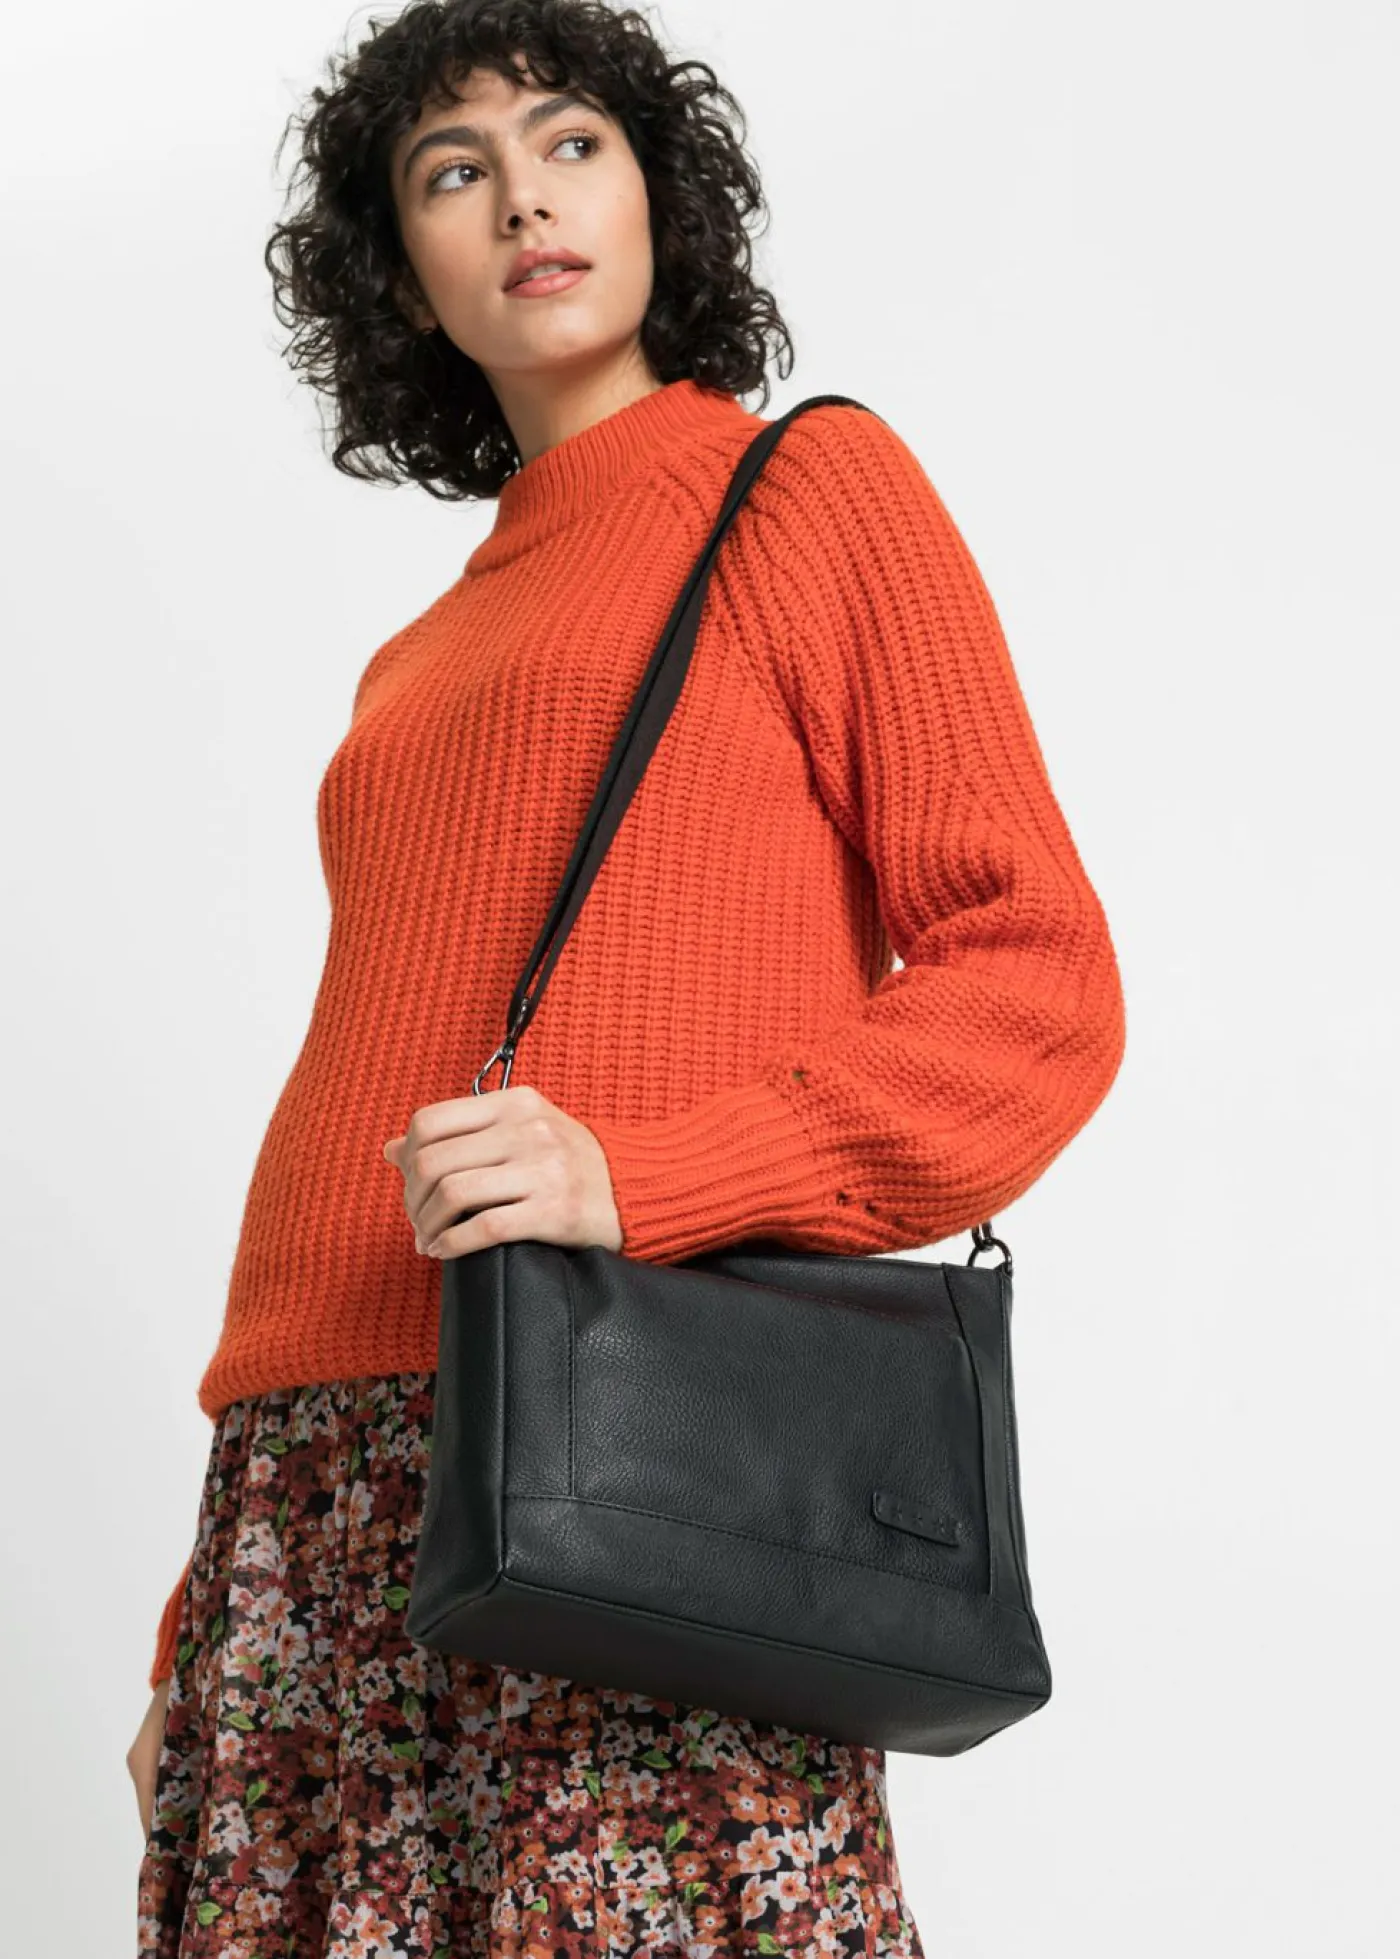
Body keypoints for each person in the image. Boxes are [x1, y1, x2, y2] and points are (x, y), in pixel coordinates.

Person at [130, 1, 1126, 1951]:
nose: (524, 198)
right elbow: (361, 1080)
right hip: (309, 1494)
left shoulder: (808, 495)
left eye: (569, 141)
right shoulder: (416, 655)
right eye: (453, 170)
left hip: (618, 1447)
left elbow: (1037, 986)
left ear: (659, 189)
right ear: (398, 273)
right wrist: (207, 1614)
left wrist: (642, 1178)